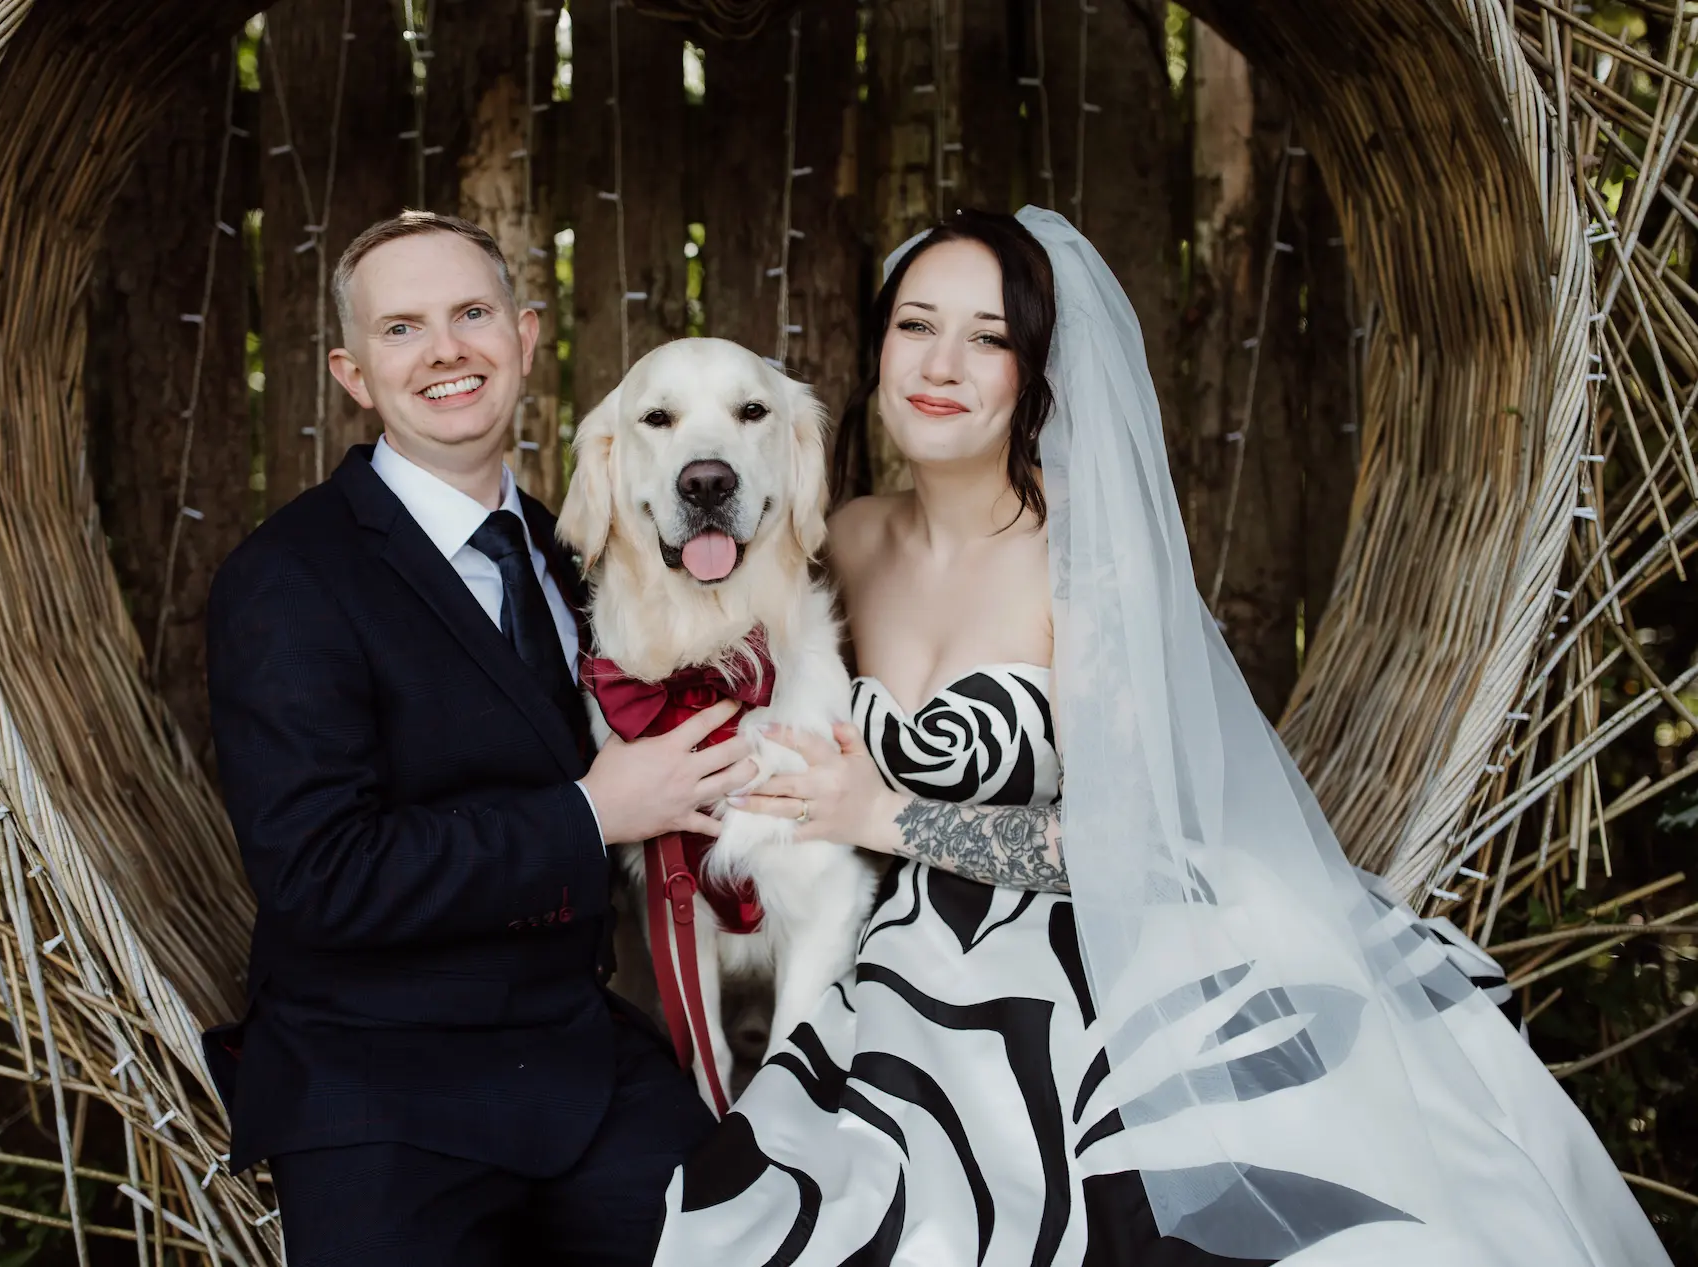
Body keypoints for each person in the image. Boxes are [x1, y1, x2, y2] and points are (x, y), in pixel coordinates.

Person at [655, 207, 1672, 1265]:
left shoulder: (1086, 560)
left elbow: (1127, 842)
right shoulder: (842, 537)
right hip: (893, 962)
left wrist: (884, 811)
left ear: (1036, 371)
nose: (942, 364)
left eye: (990, 338)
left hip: (1093, 948)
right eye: (916, 325)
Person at [203, 211, 738, 1266]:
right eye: (402, 329)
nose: (446, 348)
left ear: (525, 337)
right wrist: (590, 814)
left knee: (760, 1237)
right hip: (378, 1081)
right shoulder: (287, 578)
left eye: (471, 314)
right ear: (355, 376)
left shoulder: (570, 551)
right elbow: (319, 872)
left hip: (573, 1061)